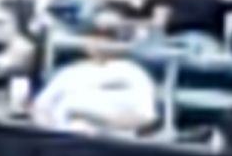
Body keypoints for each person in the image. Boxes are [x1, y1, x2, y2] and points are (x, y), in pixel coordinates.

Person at [32, 26, 162, 136]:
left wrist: (98, 121)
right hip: (61, 141)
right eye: (94, 40)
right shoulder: (71, 72)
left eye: (105, 39)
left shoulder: (133, 73)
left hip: (108, 145)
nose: (98, 44)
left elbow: (145, 117)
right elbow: (41, 106)